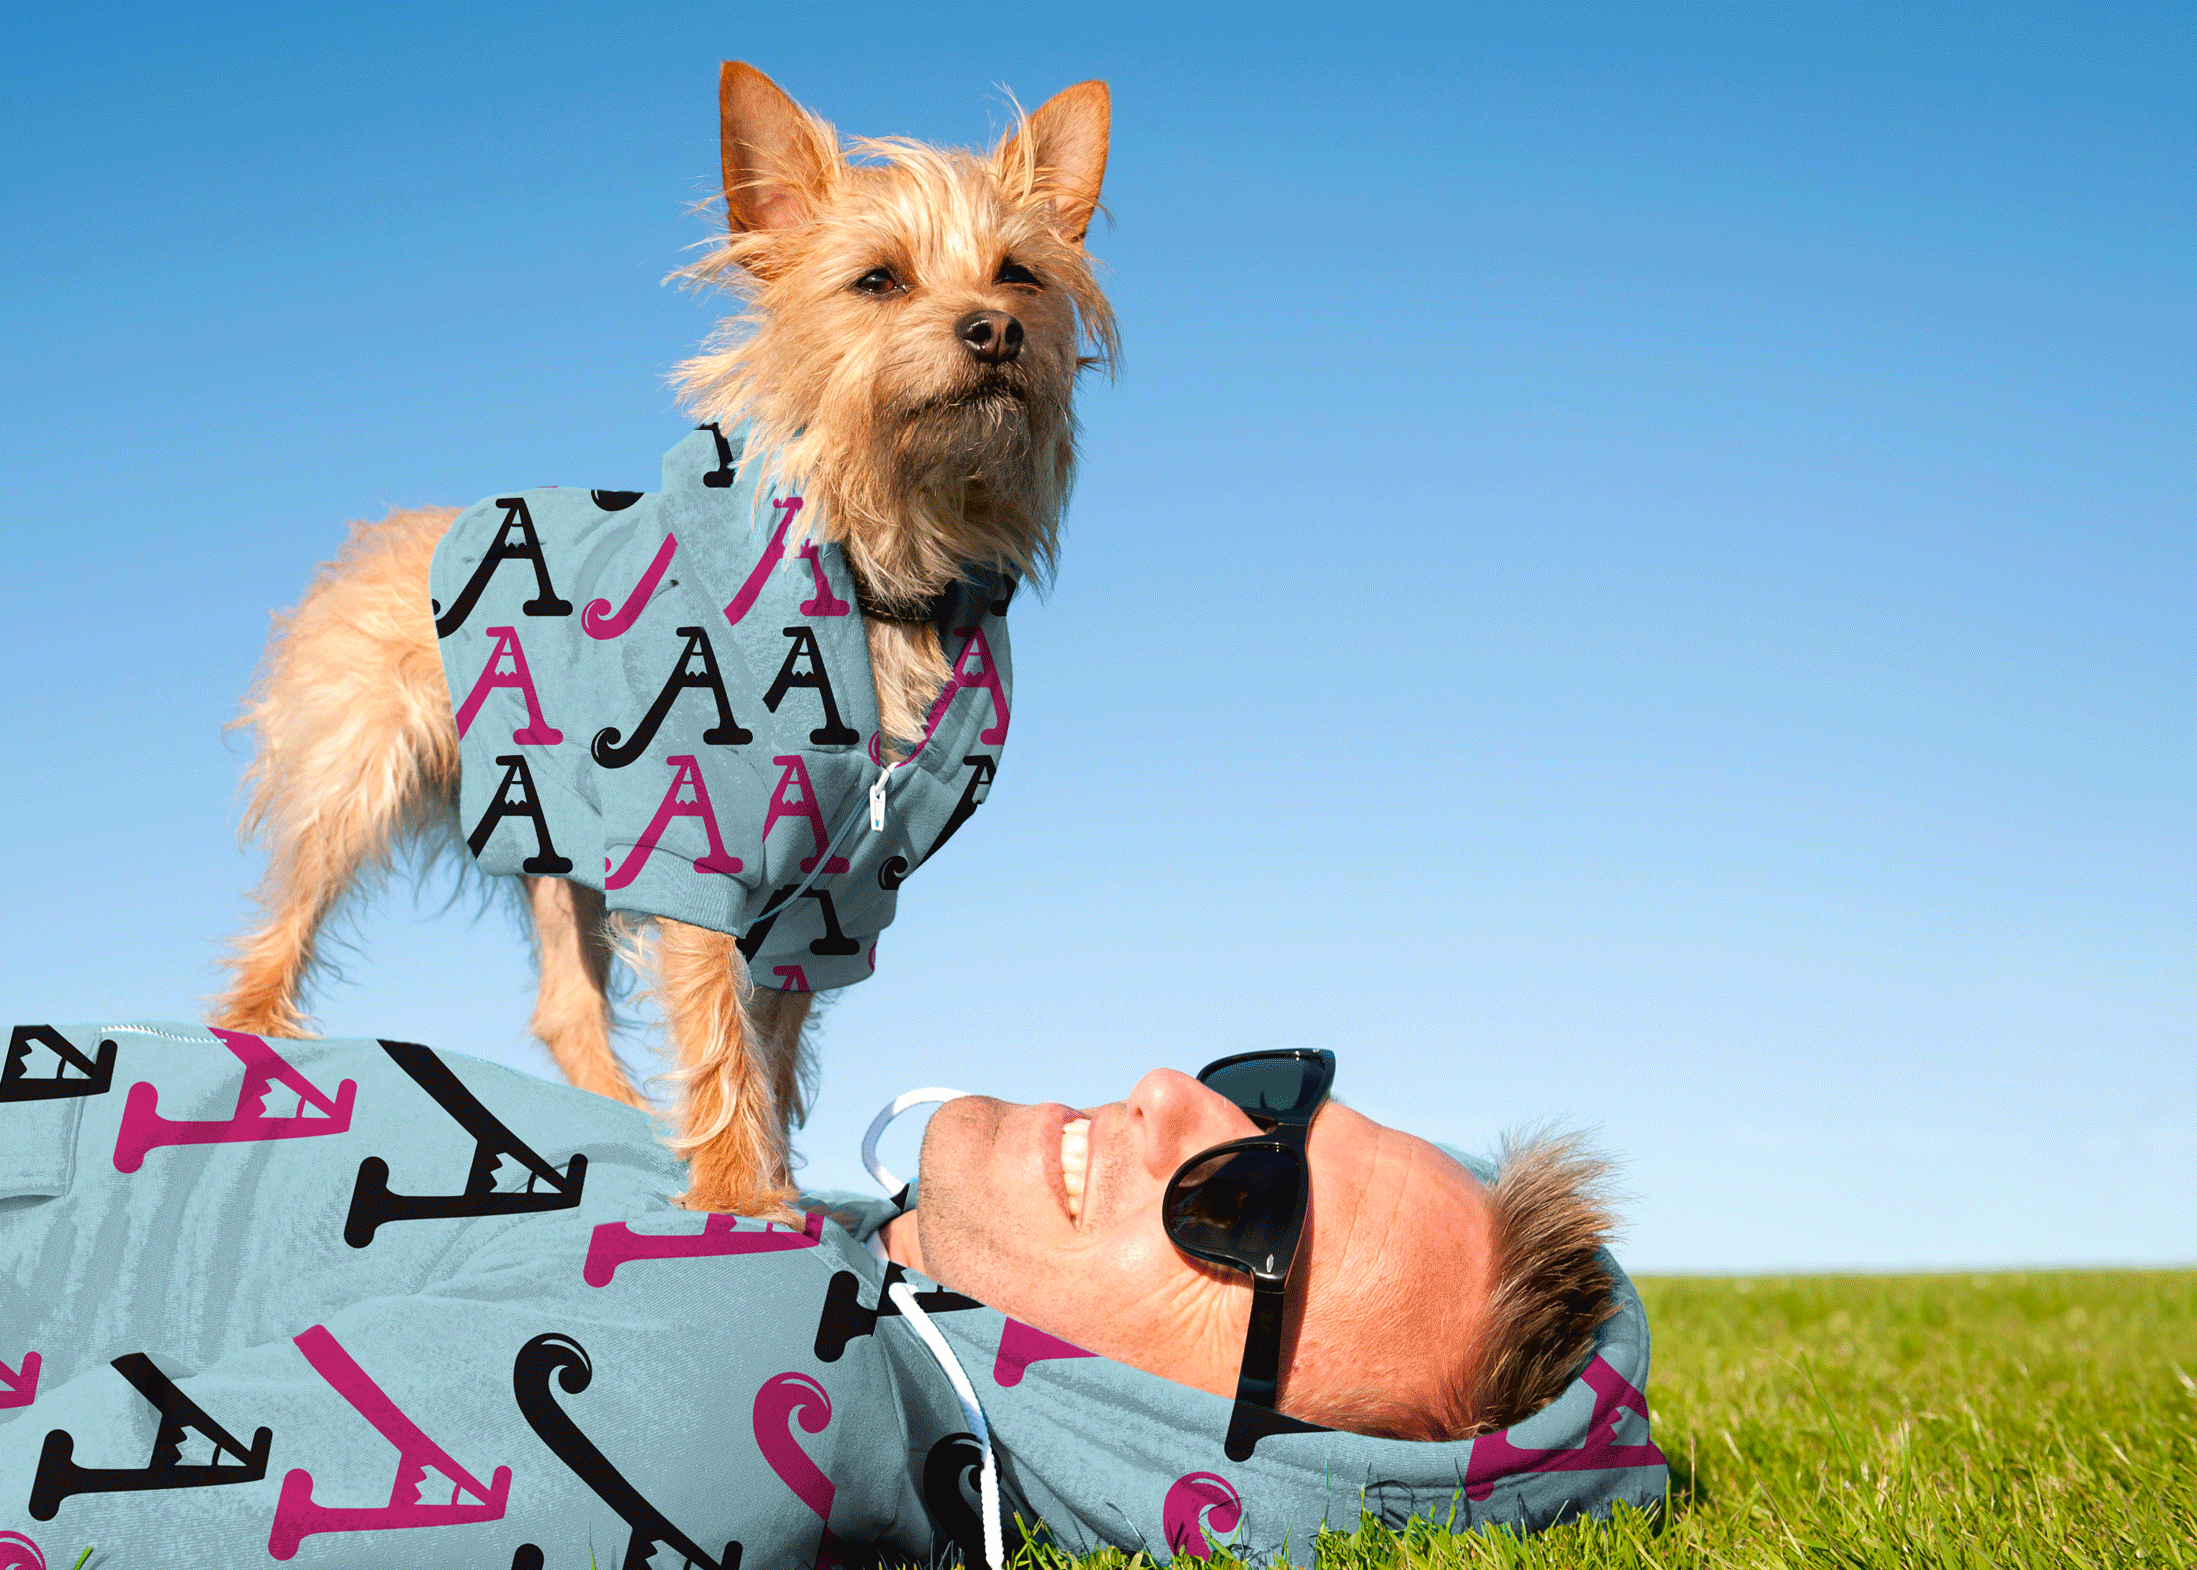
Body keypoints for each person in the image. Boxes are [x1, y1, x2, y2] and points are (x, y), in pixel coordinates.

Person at [0, 1023, 1665, 1569]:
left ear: (1210, 1465)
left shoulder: (725, 1409)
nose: (1173, 1094)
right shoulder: (813, 1260)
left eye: (1244, 1202)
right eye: (1270, 1095)